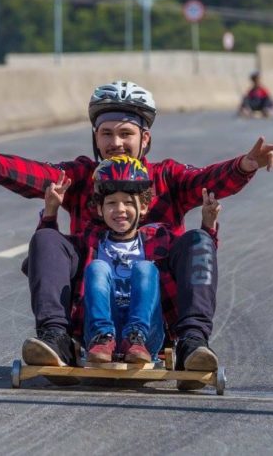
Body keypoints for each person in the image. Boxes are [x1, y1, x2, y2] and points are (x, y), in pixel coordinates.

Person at [0, 80, 273, 388]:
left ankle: (193, 343)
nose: (115, 143)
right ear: (95, 137)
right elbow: (38, 175)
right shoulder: (82, 177)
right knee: (47, 240)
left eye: (125, 133)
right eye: (106, 134)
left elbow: (208, 181)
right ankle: (55, 338)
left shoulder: (167, 178)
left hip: (154, 313)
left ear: (144, 138)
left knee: (199, 242)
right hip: (91, 308)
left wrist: (245, 165)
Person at [39, 156, 221, 366]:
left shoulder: (160, 238)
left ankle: (187, 343)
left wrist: (208, 226)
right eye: (111, 203)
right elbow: (50, 257)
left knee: (145, 268)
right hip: (96, 334)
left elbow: (197, 262)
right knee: (97, 267)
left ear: (144, 207)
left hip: (147, 335)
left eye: (128, 202)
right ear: (100, 209)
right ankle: (98, 337)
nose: (120, 209)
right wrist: (50, 214)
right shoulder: (89, 240)